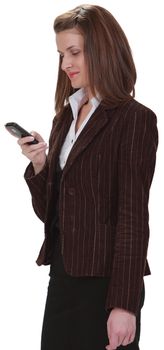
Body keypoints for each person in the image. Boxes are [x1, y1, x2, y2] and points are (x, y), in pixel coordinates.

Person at [18, 4, 158, 350]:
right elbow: (50, 213)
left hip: (107, 283)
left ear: (102, 50)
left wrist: (124, 304)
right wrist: (39, 165)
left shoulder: (133, 119)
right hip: (63, 276)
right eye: (61, 54)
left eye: (75, 52)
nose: (66, 63)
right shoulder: (64, 118)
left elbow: (133, 216)